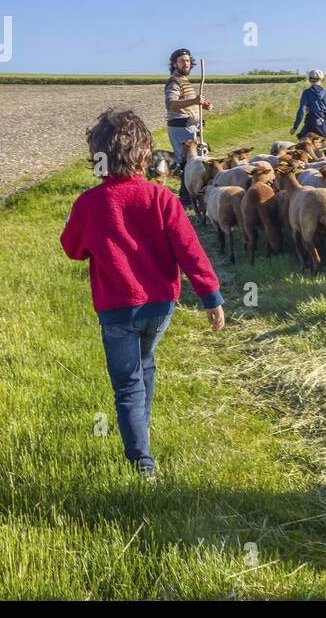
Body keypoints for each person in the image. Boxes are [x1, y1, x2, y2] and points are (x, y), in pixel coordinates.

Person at [60, 108, 225, 479]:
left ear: (97, 156)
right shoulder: (161, 198)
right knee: (145, 363)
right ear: (145, 154)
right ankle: (142, 432)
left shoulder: (89, 203)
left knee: (127, 384)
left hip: (117, 309)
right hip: (160, 306)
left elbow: (72, 249)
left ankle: (141, 462)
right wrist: (210, 296)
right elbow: (190, 250)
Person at [165, 48, 211, 167]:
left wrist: (201, 104)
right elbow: (171, 104)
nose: (185, 63)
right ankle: (186, 186)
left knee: (195, 161)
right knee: (189, 163)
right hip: (181, 127)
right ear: (175, 64)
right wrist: (194, 100)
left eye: (187, 61)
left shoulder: (184, 80)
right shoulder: (174, 82)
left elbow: (186, 102)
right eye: (181, 61)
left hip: (189, 127)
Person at [291, 69, 326, 138]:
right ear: (322, 79)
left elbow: (301, 110)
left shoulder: (306, 93)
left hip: (310, 121)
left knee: (302, 141)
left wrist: (295, 127)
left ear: (309, 80)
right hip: (322, 121)